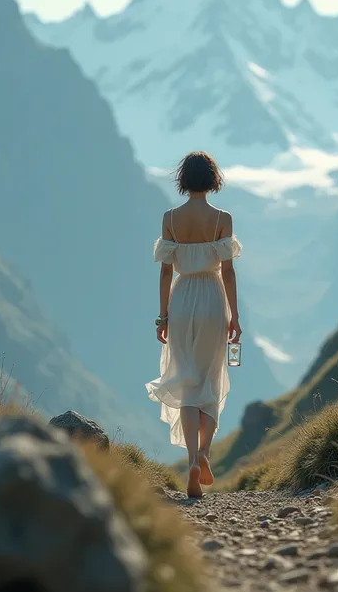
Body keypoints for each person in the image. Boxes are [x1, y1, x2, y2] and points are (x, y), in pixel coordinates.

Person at [145, 151, 242, 497]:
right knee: (210, 381)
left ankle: (191, 461)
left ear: (183, 178)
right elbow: (228, 272)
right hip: (214, 300)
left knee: (187, 384)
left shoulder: (170, 217)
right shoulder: (223, 219)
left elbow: (165, 270)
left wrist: (163, 316)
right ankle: (204, 451)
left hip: (182, 299)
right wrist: (236, 317)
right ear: (213, 178)